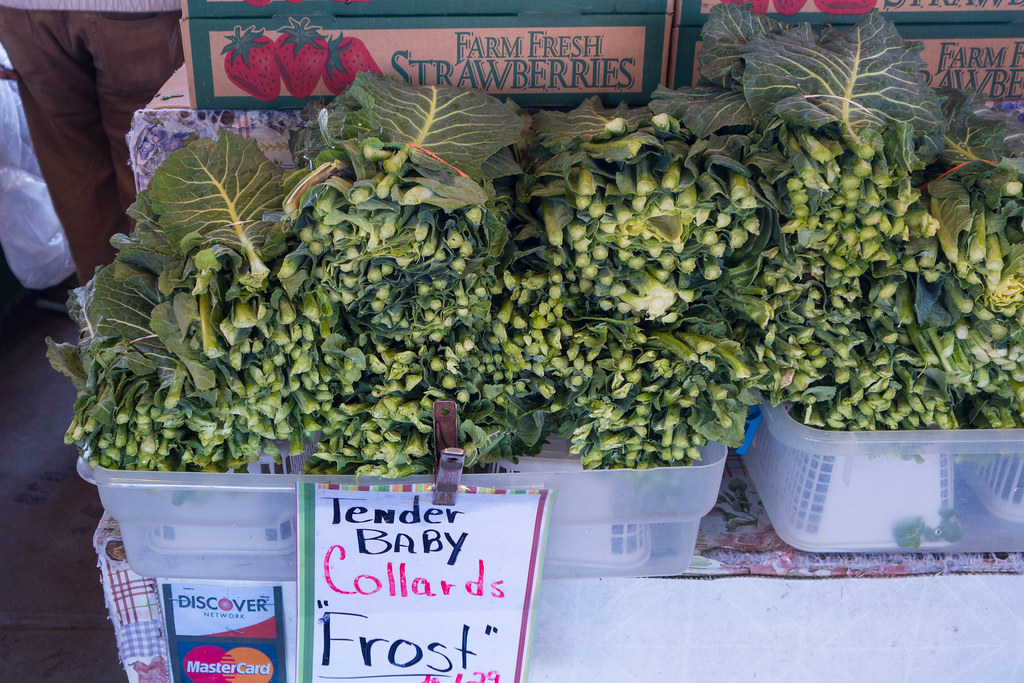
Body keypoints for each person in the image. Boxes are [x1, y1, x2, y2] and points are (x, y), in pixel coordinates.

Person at [0, 0, 184, 285]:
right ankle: (169, 319)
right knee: (152, 167)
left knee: (76, 179)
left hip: (24, 13)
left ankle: (108, 320)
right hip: (136, 11)